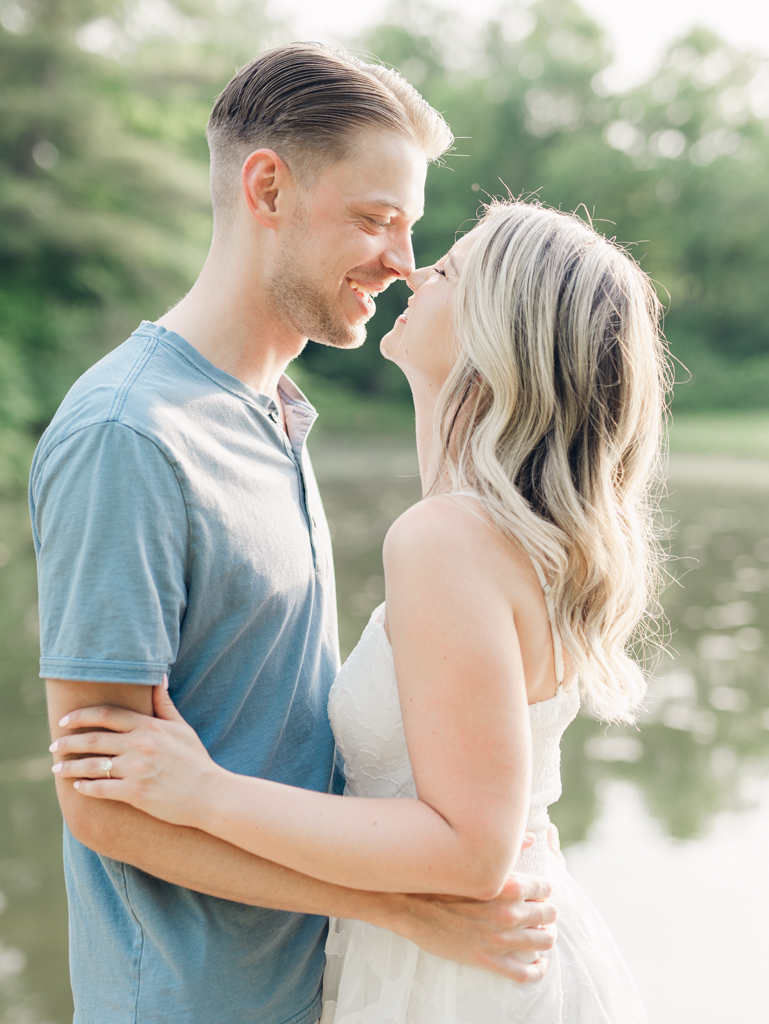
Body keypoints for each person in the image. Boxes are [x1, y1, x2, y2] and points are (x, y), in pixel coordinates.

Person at [32, 44, 558, 1024]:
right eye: (375, 218)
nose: (401, 263)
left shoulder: (275, 409)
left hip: (310, 991)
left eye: (410, 228)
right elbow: (100, 801)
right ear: (268, 187)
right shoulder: (129, 434)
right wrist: (407, 911)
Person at [52, 199, 668, 1022]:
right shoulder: (510, 531)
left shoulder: (447, 538)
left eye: (447, 269)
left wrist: (200, 791)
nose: (414, 270)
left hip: (457, 966)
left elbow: (470, 851)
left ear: (499, 333)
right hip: (467, 945)